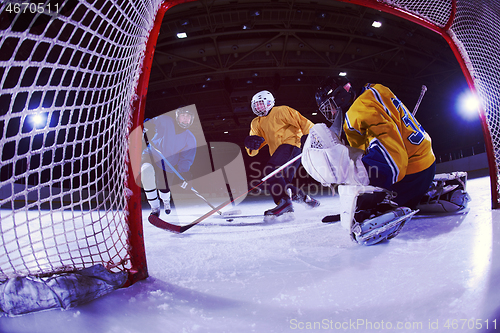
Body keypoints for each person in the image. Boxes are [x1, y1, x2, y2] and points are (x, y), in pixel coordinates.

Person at [302, 76, 436, 244]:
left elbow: (392, 165)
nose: (333, 113)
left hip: (412, 175)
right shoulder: (375, 89)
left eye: (330, 106)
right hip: (426, 163)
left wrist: (361, 202)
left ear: (339, 96)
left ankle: (386, 207)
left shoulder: (357, 112)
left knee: (350, 172)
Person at [244, 90, 320, 220]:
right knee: (283, 183)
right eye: (255, 105)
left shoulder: (281, 111)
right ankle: (306, 200)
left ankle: (284, 203)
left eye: (260, 104)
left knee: (271, 171)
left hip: (291, 145)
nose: (258, 108)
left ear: (269, 102)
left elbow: (303, 122)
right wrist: (251, 145)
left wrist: (312, 136)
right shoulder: (256, 123)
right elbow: (254, 148)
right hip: (279, 153)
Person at [141, 106, 197, 217]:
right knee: (146, 171)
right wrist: (147, 124)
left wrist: (184, 173)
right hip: (152, 154)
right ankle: (155, 207)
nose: (185, 119)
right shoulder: (165, 120)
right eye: (183, 116)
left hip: (168, 165)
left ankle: (166, 202)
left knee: (164, 189)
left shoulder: (190, 138)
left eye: (188, 117)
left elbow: (186, 158)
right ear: (177, 117)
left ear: (192, 119)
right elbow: (151, 123)